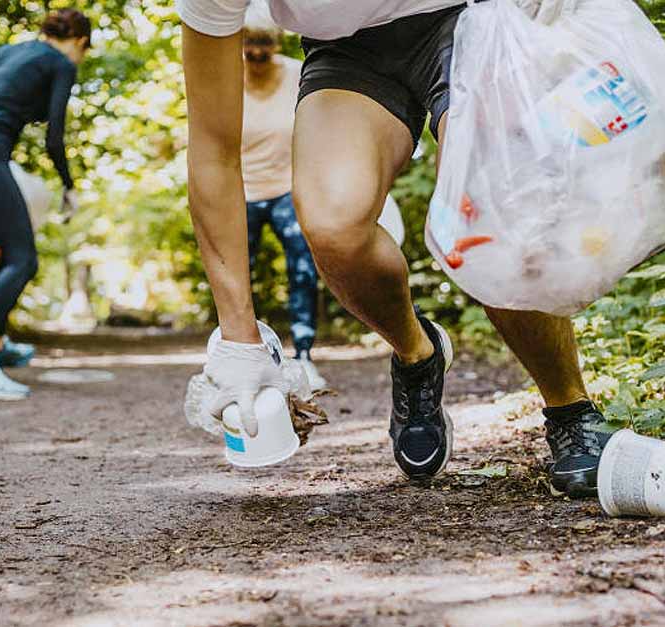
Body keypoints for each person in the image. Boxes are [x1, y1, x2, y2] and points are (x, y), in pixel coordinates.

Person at [178, 0, 611, 495]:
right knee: (332, 227)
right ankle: (417, 353)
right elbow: (212, 152)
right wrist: (239, 342)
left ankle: (570, 410)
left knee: (489, 196)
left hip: (466, 16)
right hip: (346, 51)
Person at [0, 9, 89, 401]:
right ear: (78, 40)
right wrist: (69, 186)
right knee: (24, 259)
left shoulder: (6, 52)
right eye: (84, 51)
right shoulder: (61, 63)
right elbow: (55, 137)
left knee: (10, 252)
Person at [238, 6, 326, 392]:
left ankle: (304, 353)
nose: (257, 52)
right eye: (249, 44)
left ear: (276, 42)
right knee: (238, 271)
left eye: (264, 43)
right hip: (241, 192)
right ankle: (243, 354)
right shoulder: (226, 76)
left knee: (304, 267)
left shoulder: (295, 72)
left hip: (289, 187)